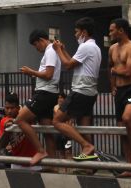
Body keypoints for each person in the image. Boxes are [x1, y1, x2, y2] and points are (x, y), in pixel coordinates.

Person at [52, 17, 101, 161]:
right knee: (84, 129)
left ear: (84, 32)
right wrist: (63, 50)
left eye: (76, 32)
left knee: (57, 121)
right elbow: (73, 63)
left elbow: (67, 65)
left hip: (80, 91)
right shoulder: (95, 47)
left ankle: (86, 146)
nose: (75, 35)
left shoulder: (85, 47)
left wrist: (57, 50)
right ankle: (90, 162)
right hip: (90, 93)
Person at [14, 29, 61, 166]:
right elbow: (46, 74)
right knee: (46, 130)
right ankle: (53, 165)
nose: (36, 48)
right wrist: (34, 74)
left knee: (20, 119)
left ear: (41, 40)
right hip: (49, 92)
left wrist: (31, 71)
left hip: (44, 93)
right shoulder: (51, 51)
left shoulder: (50, 50)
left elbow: (48, 75)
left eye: (36, 45)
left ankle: (40, 151)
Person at [108, 18, 131, 177]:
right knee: (122, 128)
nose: (110, 33)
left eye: (112, 30)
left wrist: (116, 72)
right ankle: (130, 167)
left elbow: (128, 72)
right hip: (120, 91)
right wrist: (113, 86)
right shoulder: (112, 49)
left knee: (128, 118)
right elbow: (110, 68)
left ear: (121, 30)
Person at [0, 93, 41, 171]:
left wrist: (15, 121)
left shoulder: (27, 117)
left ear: (18, 108)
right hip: (16, 162)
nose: (9, 111)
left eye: (12, 108)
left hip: (34, 160)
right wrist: (7, 129)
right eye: (7, 108)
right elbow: (3, 145)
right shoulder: (3, 120)